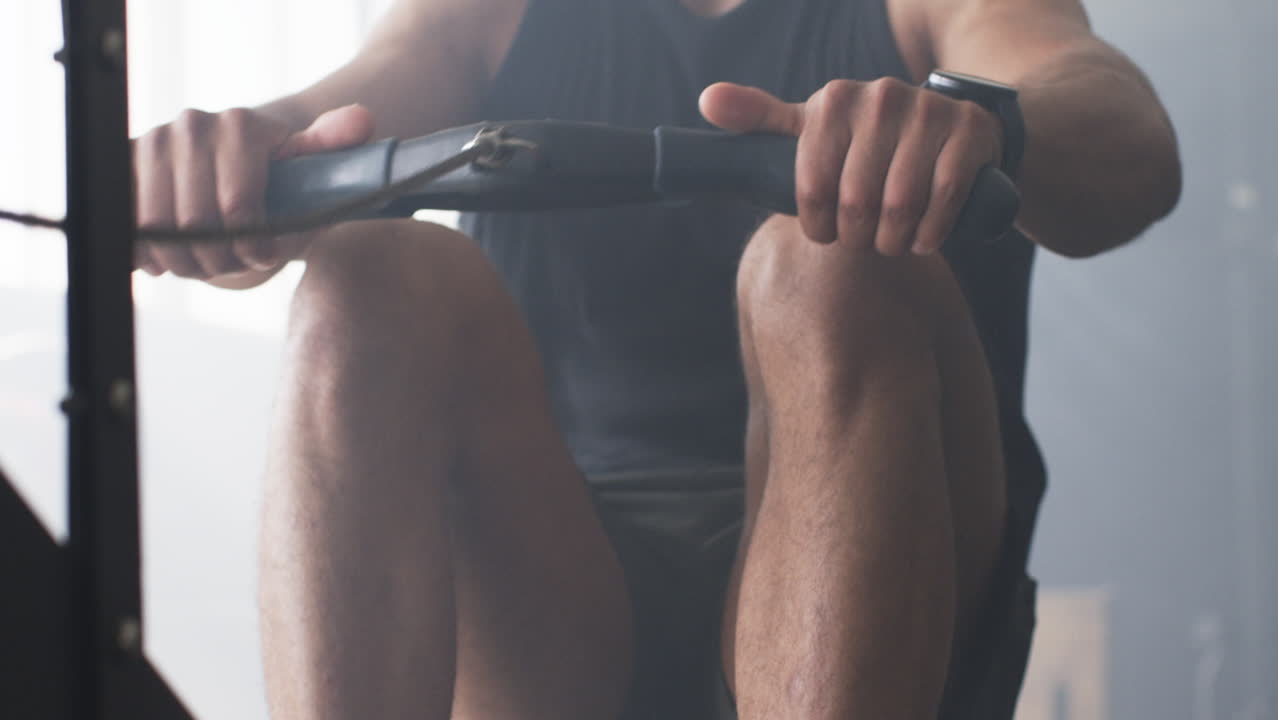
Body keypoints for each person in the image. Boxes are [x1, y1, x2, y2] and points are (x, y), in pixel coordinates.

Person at [131, 0, 1180, 717]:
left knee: (822, 263)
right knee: (365, 279)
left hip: (887, 556)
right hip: (559, 597)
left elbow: (1120, 133)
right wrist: (229, 166)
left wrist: (985, 125)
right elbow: (327, 126)